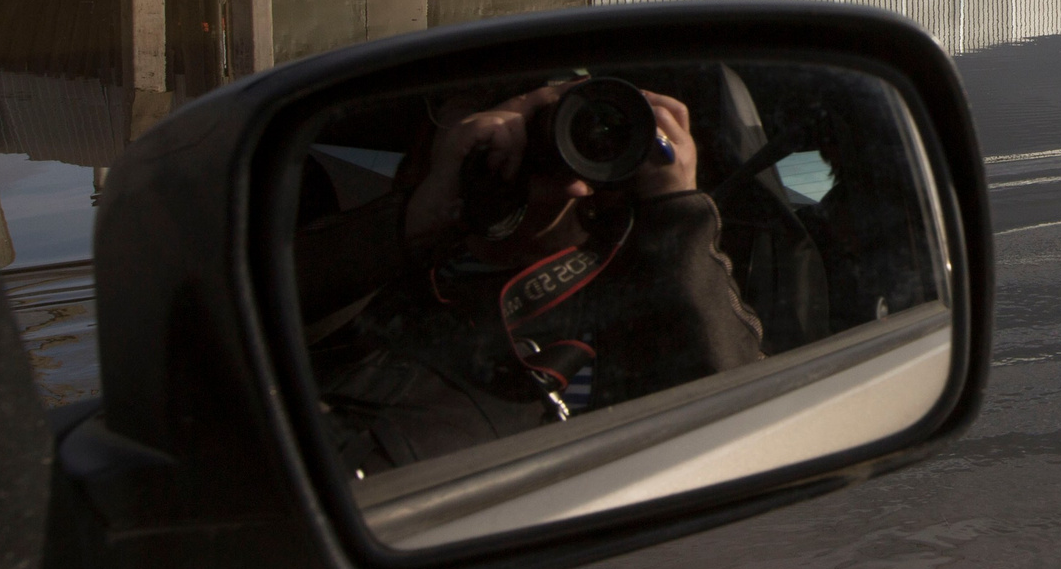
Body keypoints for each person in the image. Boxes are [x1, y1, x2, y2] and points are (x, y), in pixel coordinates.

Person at [299, 78, 763, 476]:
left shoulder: (642, 303)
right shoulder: (382, 277)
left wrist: (675, 213)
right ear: (435, 144)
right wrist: (420, 216)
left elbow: (737, 434)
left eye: (580, 126)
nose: (534, 139)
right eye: (503, 109)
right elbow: (252, 316)